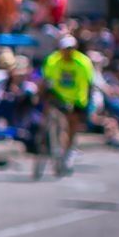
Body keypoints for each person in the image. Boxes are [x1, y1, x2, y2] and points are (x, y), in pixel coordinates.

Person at [41, 34, 95, 177]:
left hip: (76, 100)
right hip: (58, 97)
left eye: (70, 49)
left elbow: (89, 84)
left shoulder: (83, 62)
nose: (67, 52)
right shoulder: (53, 60)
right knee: (54, 119)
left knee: (72, 126)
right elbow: (47, 80)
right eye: (65, 49)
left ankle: (69, 151)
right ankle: (52, 145)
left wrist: (87, 105)